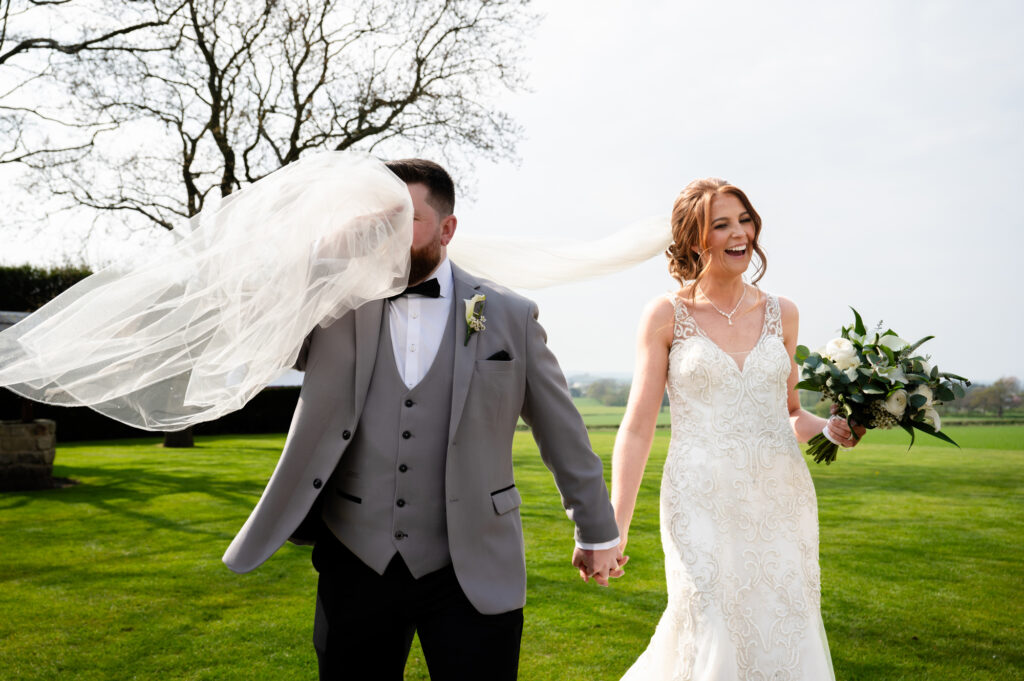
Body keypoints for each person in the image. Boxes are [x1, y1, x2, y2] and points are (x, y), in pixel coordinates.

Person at [221, 159, 624, 681]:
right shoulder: (331, 308)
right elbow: (251, 332)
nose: (387, 237)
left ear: (447, 228)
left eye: (404, 220)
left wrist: (596, 530)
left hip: (474, 562)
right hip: (356, 557)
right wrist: (320, 260)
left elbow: (562, 432)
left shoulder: (508, 315)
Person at [610, 178, 864, 680]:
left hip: (779, 500)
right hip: (699, 498)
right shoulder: (666, 315)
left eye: (744, 220)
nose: (739, 233)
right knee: (710, 624)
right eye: (721, 224)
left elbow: (788, 412)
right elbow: (638, 428)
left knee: (783, 625)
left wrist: (829, 428)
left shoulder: (781, 313)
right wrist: (614, 526)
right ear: (693, 239)